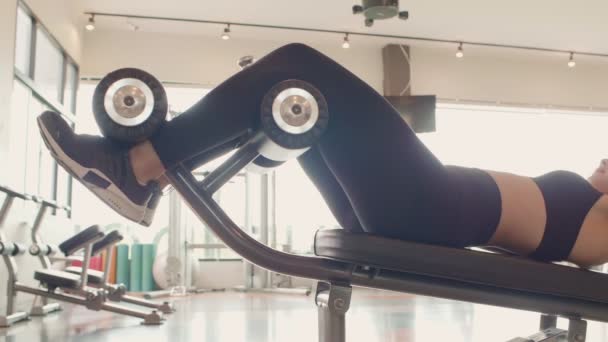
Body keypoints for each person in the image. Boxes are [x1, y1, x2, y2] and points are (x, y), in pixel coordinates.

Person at [38, 43, 608, 267]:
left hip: (429, 206)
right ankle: (146, 169)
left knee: (300, 66)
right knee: (292, 100)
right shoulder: (589, 209)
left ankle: (139, 171)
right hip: (424, 209)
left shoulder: (601, 227)